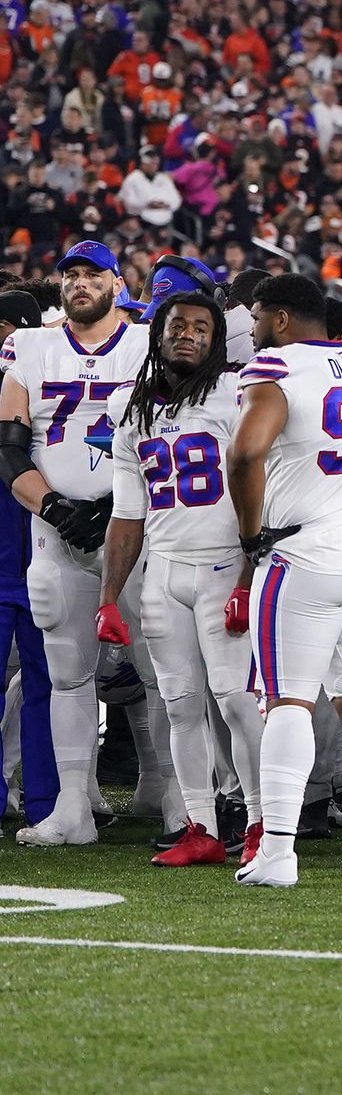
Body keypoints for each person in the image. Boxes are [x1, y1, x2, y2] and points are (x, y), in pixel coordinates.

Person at [229, 273, 342, 887]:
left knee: (286, 703)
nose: (251, 330)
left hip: (305, 554)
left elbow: (246, 453)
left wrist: (252, 533)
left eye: (257, 317)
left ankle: (277, 851)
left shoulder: (278, 368)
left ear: (280, 319)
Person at [98, 291, 253, 867]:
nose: (187, 334)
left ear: (215, 341)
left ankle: (262, 822)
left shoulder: (234, 394)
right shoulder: (134, 411)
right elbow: (126, 514)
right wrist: (109, 596)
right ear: (158, 334)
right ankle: (201, 826)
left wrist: (246, 574)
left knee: (235, 701)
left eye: (200, 328)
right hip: (162, 570)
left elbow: (262, 489)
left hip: (221, 565)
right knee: (182, 704)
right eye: (177, 325)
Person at [3, 241, 148, 846]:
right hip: (54, 533)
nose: (80, 284)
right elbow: (8, 445)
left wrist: (118, 504)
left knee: (167, 674)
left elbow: (165, 430)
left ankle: (177, 804)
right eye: (71, 276)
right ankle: (71, 809)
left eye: (92, 274)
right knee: (66, 674)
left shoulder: (146, 344)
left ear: (116, 282)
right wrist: (58, 506)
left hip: (137, 530)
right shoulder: (30, 346)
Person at [0, 288, 53, 836]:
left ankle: (47, 802)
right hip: (18, 564)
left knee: (49, 687)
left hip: (40, 564)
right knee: (43, 687)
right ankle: (40, 801)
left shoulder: (42, 394)